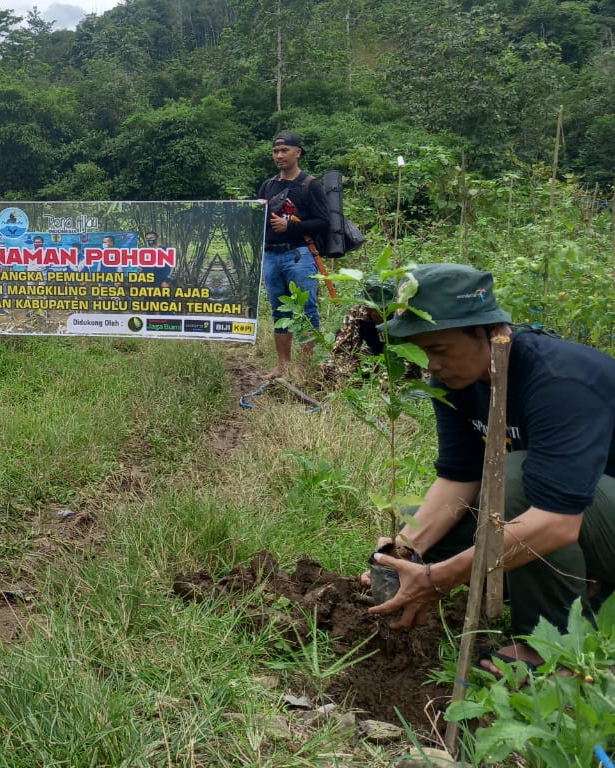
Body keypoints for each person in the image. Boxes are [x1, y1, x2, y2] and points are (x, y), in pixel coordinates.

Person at [366, 264, 615, 674]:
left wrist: (437, 580)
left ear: (490, 331)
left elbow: (557, 523)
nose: (430, 365)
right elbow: (459, 476)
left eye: (440, 350)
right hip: (574, 506)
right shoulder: (455, 382)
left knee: (515, 478)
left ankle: (551, 645)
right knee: (436, 532)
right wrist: (405, 553)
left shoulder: (560, 379)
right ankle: (581, 582)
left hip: (581, 514)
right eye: (421, 351)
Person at [257, 131, 329, 378]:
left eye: (284, 151)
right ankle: (283, 365)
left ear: (297, 152)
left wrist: (292, 227)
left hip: (299, 255)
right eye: (276, 151)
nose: (279, 155)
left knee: (306, 309)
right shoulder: (268, 186)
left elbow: (323, 222)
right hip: (271, 256)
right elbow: (259, 221)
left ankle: (306, 365)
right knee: (279, 310)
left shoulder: (310, 185)